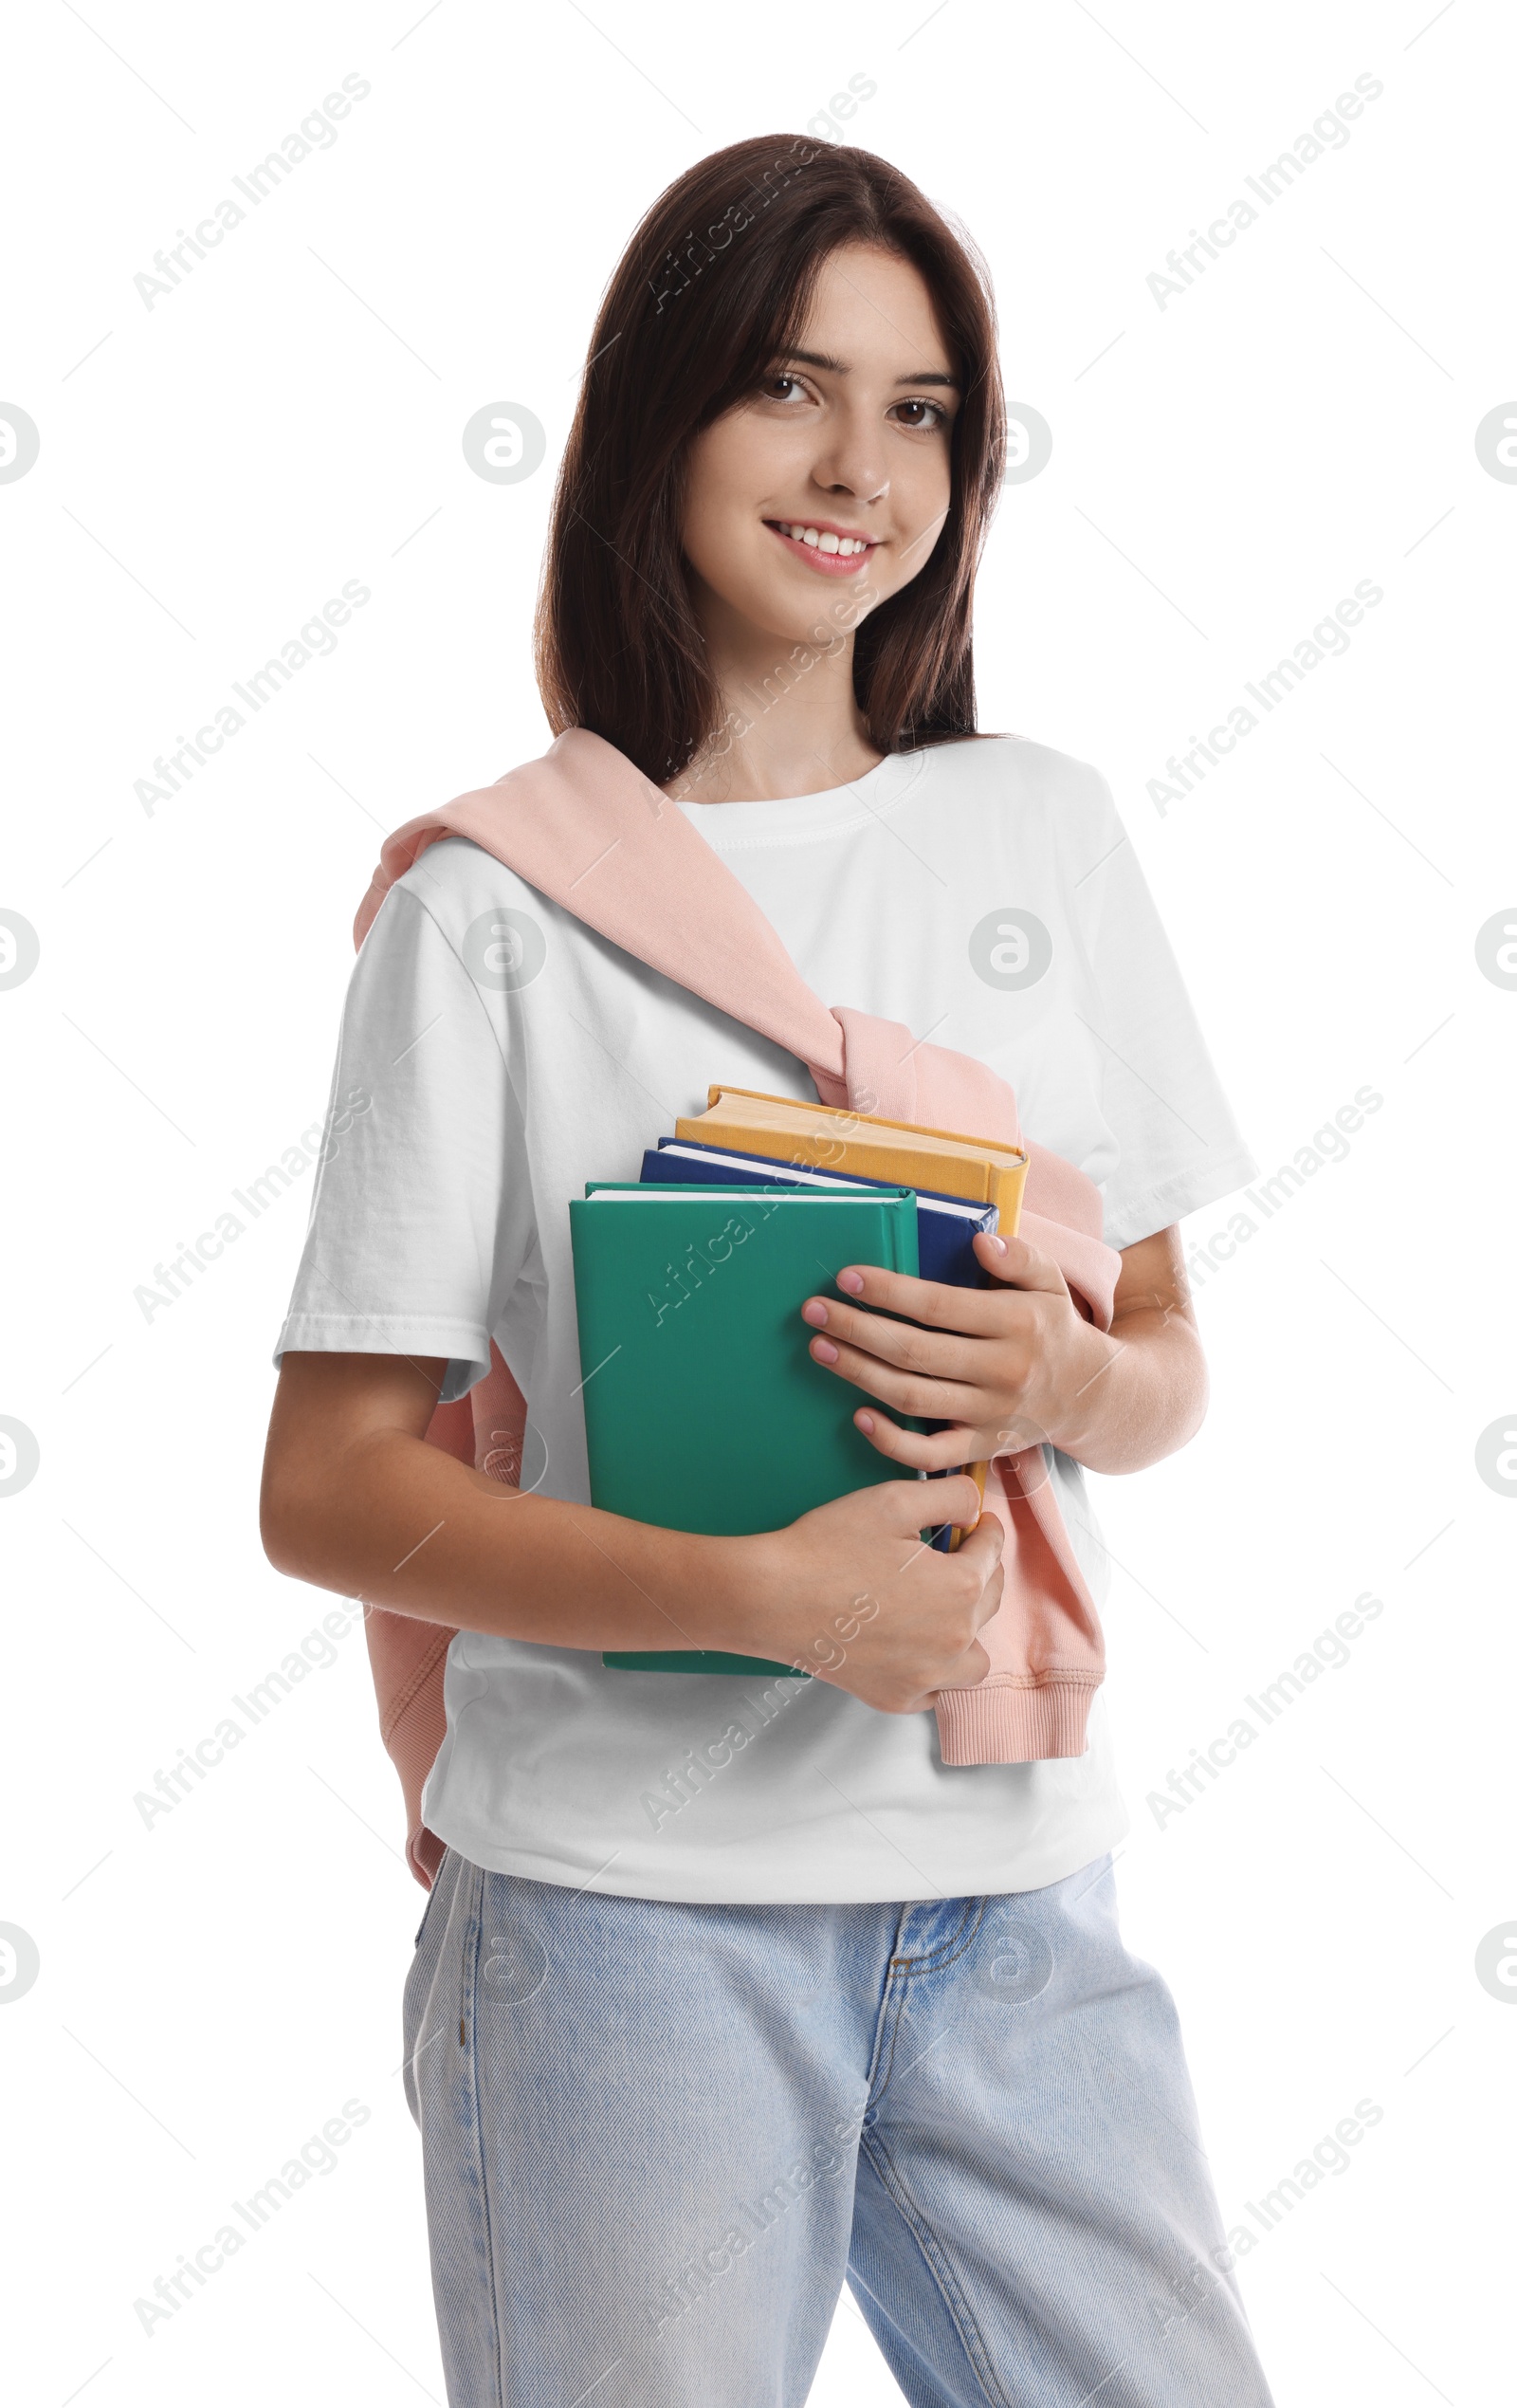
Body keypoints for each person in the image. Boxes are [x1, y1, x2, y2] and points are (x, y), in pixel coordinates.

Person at [262, 133, 1272, 2408]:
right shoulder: (487, 913)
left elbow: (1172, 1356)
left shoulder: (1041, 833)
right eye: (788, 391)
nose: (858, 469)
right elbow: (322, 1486)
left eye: (920, 411)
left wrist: (1058, 1385)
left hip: (1012, 1891)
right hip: (622, 1919)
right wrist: (775, 1604)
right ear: (660, 423)